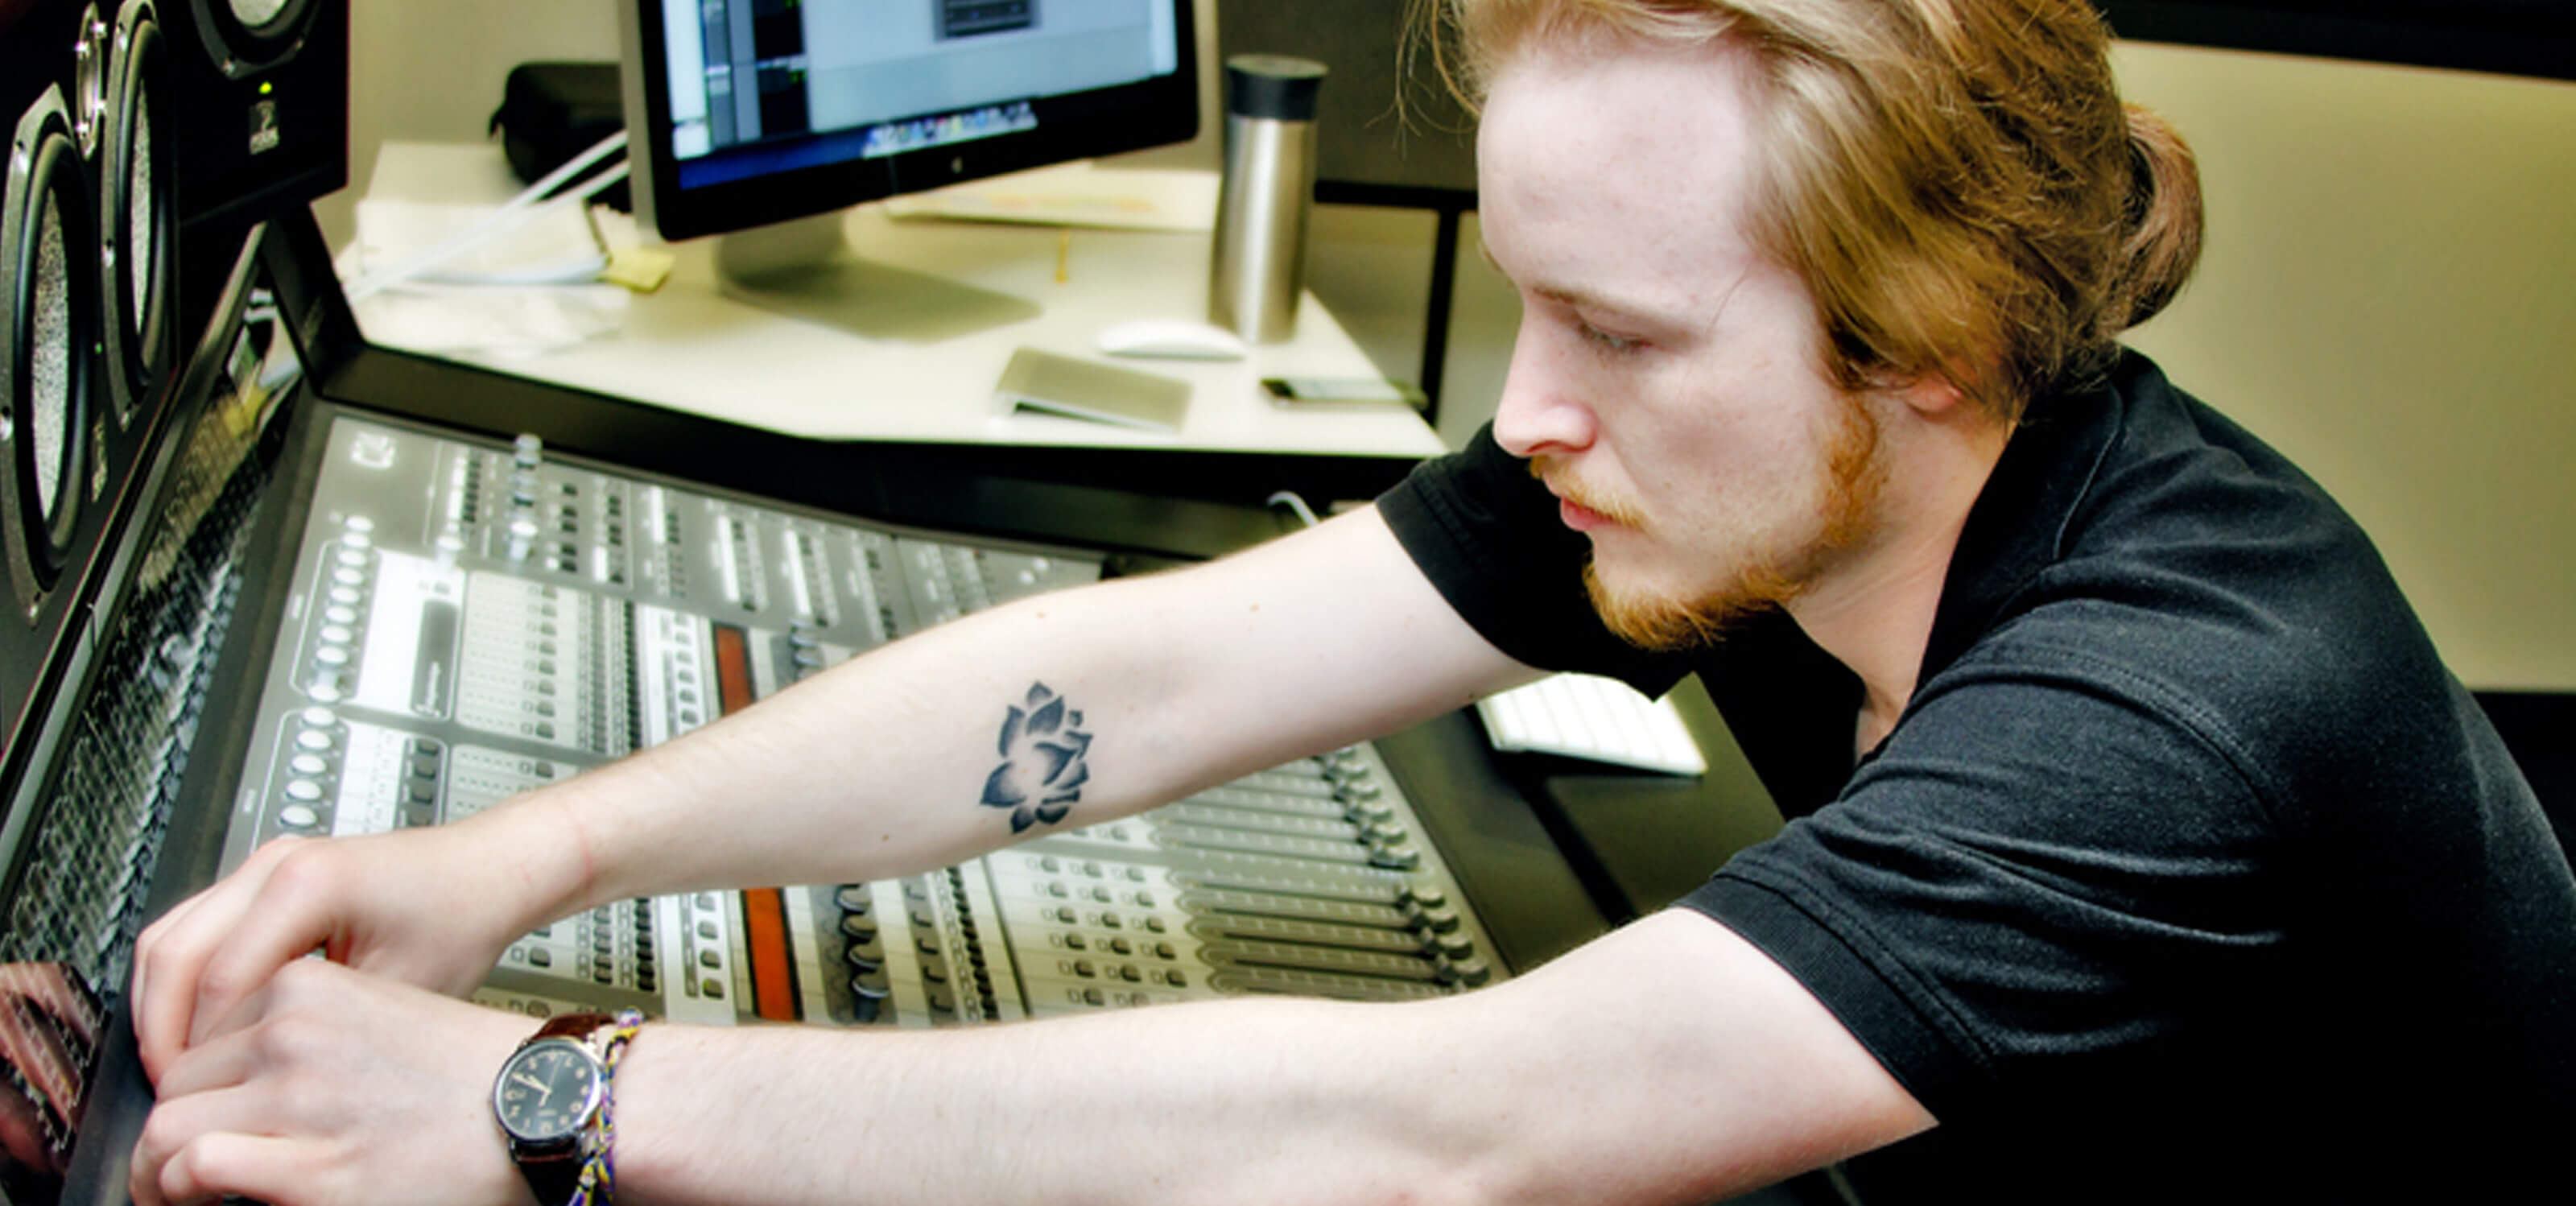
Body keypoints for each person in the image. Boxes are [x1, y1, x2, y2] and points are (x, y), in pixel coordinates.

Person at [126, 2, 2574, 1203]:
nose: (1526, 411)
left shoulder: (2183, 702)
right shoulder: (1760, 470)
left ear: (1924, 338)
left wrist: (555, 1102)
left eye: (1613, 331)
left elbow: (1437, 1134)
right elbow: (1151, 667)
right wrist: (513, 860)